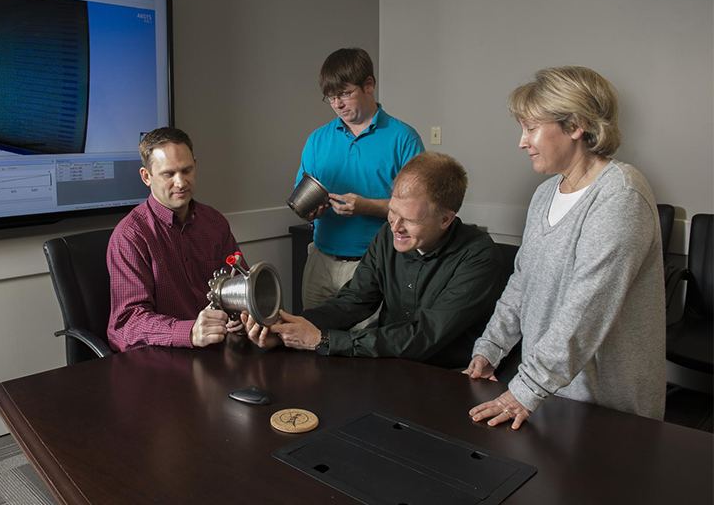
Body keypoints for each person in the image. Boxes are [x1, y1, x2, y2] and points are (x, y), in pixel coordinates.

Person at [464, 66, 666, 429]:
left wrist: (523, 389)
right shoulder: (544, 194)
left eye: (531, 128)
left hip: (606, 407)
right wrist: (490, 348)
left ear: (575, 126)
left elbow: (587, 310)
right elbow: (522, 283)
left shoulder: (621, 196)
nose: (522, 141)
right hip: (547, 396)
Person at [244, 152, 503, 368]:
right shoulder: (387, 235)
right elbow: (355, 301)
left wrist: (323, 340)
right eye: (392, 211)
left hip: (447, 376)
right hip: (389, 365)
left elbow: (424, 336)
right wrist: (289, 329)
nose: (395, 226)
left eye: (410, 220)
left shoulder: (479, 256)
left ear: (445, 219)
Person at [297, 47, 425, 309]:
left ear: (369, 84)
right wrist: (311, 211)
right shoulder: (317, 140)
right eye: (331, 97)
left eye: (344, 93)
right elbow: (301, 198)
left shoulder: (404, 138)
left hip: (374, 265)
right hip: (320, 261)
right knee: (308, 342)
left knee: (363, 347)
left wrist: (366, 206)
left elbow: (419, 209)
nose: (337, 104)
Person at [107, 127, 243, 352]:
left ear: (195, 166)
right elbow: (128, 323)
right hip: (159, 357)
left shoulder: (214, 223)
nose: (181, 183)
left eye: (186, 170)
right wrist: (189, 332)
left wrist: (244, 313)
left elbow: (239, 282)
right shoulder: (130, 236)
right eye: (168, 174)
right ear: (146, 177)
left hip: (217, 347)